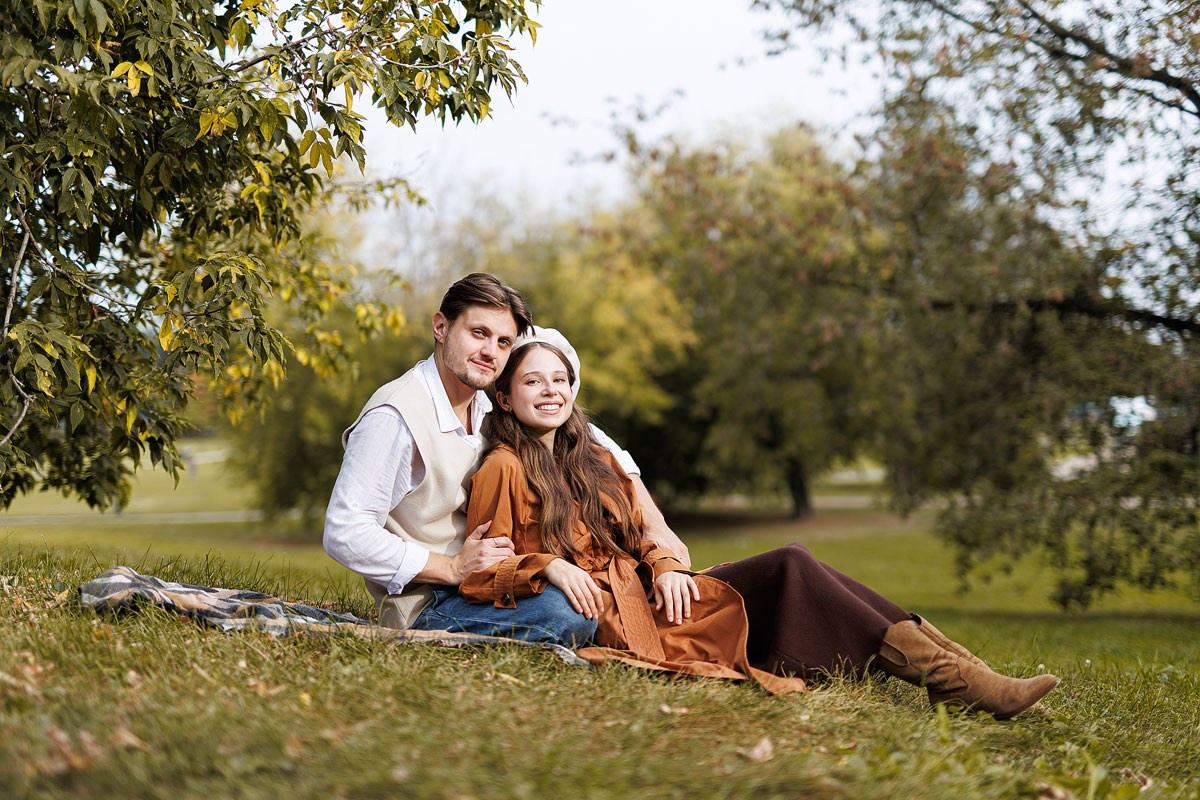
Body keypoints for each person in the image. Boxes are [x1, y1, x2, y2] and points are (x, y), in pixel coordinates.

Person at [458, 339, 1061, 718]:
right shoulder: (503, 469)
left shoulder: (596, 459)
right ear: (505, 399)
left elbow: (645, 535)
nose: (551, 391)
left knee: (793, 561)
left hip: (658, 594)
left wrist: (666, 566)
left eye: (560, 380)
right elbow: (480, 573)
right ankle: (957, 679)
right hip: (625, 621)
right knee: (792, 569)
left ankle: (961, 673)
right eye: (533, 381)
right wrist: (549, 565)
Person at [322, 273, 686, 645]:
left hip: (495, 581)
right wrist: (451, 568)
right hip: (431, 600)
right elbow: (344, 532)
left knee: (609, 594)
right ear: (441, 327)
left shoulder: (483, 403)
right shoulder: (395, 417)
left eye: (503, 342)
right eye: (478, 333)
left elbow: (587, 436)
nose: (490, 352)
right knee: (567, 610)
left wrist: (655, 525)